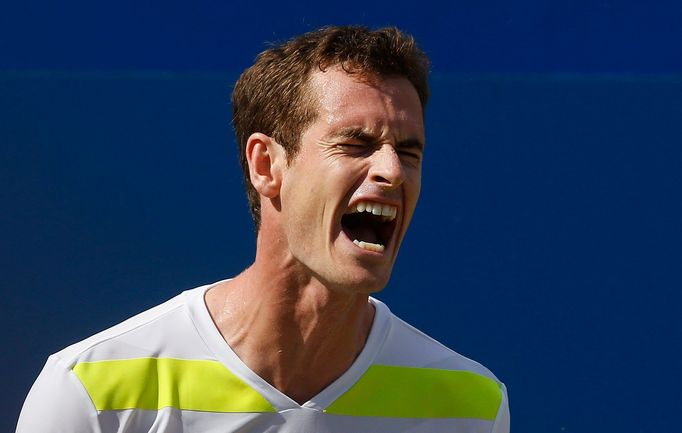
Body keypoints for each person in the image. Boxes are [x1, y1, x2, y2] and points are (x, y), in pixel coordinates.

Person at [16, 26, 510, 433]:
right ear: (266, 165)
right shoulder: (91, 393)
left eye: (408, 151)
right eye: (355, 144)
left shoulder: (471, 407)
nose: (393, 171)